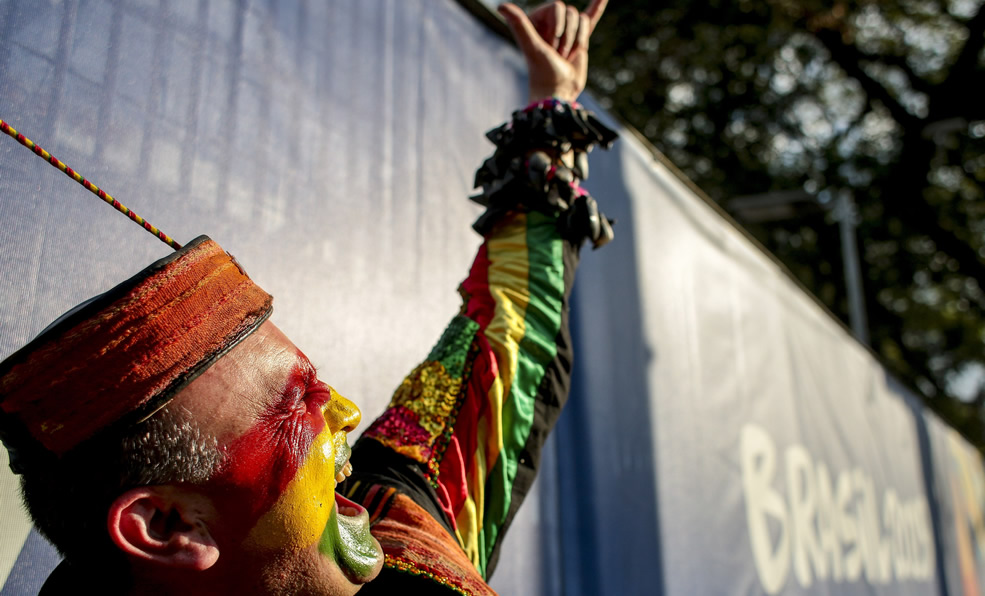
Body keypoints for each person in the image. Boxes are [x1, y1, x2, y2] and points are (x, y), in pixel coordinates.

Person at [0, 1, 615, 594]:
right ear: (169, 525)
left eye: (318, 386)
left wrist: (552, 106)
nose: (347, 412)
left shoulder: (403, 524)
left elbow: (507, 336)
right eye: (295, 405)